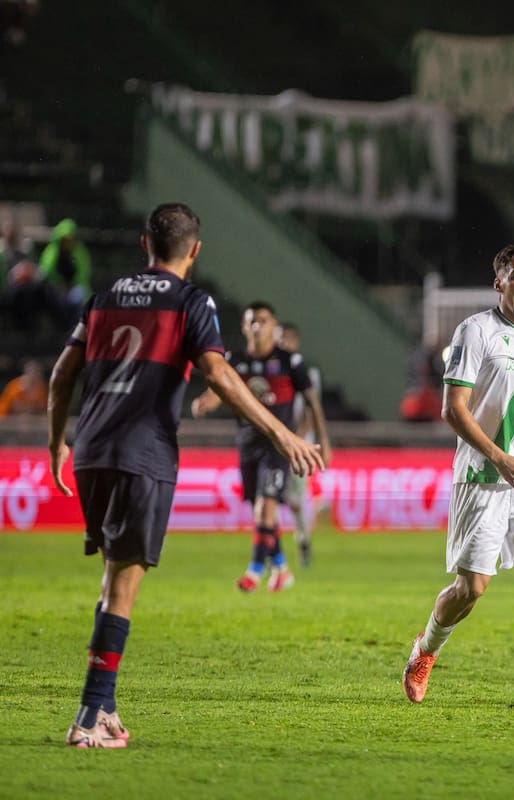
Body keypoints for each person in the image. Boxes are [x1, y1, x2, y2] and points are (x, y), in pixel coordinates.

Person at [47, 202, 324, 748]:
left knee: (112, 581)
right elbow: (217, 373)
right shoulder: (190, 300)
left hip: (91, 451)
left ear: (142, 242)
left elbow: (61, 374)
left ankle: (104, 708)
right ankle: (86, 719)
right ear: (195, 251)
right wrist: (283, 433)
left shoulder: (104, 295)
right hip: (141, 452)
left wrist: (56, 442)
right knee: (122, 589)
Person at [402, 243, 514, 713]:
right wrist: (500, 456)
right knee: (472, 588)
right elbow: (452, 409)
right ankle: (425, 650)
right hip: (483, 475)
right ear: (498, 282)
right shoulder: (475, 331)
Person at [192, 302, 332, 592]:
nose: (257, 326)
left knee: (265, 507)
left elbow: (312, 401)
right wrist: (207, 401)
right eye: (252, 321)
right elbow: (220, 387)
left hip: (279, 444)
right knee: (261, 509)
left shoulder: (288, 361)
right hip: (247, 442)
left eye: (263, 320)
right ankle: (280, 567)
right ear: (244, 327)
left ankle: (255, 570)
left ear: (273, 325)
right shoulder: (235, 359)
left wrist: (324, 440)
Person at [278, 321, 322, 565]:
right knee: (274, 496)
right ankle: (274, 549)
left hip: (300, 445)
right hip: (277, 442)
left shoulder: (307, 373)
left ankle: (302, 538)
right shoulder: (273, 370)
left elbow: (311, 411)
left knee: (294, 498)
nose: (284, 344)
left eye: (288, 340)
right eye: (281, 340)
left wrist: (299, 437)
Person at [39, 218, 92, 325]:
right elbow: (46, 273)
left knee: (80, 299)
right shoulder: (51, 252)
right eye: (65, 239)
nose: (67, 242)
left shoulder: (79, 252)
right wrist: (59, 285)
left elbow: (84, 274)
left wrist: (71, 286)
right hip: (56, 288)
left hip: (75, 287)